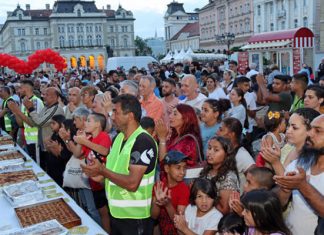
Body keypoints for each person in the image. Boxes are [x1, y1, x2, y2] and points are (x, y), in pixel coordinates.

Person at [81, 94, 158, 235]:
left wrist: (103, 171)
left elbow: (132, 183)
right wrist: (100, 178)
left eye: (115, 112)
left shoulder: (143, 141)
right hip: (116, 214)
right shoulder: (118, 139)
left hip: (134, 218)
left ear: (130, 116)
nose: (112, 116)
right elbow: (114, 175)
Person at [272, 114, 324, 235]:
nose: (310, 134)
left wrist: (302, 185)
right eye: (310, 128)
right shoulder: (299, 164)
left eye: (318, 131)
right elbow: (279, 204)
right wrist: (285, 189)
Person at [72, 112, 112, 232]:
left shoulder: (104, 136)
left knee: (105, 213)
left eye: (89, 121)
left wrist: (85, 142)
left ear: (98, 124)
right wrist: (80, 141)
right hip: (93, 182)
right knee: (100, 211)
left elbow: (104, 151)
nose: (85, 123)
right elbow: (77, 154)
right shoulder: (89, 138)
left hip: (103, 182)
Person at [156, 104, 203, 175]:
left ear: (186, 118)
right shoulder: (175, 136)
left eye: (175, 114)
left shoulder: (189, 141)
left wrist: (162, 139)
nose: (170, 116)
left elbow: (165, 165)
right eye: (171, 113)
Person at [151, 150, 190, 235]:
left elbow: (179, 223)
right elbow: (154, 216)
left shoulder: (184, 189)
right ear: (167, 168)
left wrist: (167, 205)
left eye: (184, 167)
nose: (182, 172)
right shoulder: (159, 186)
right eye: (178, 168)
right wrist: (157, 202)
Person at [199, 136, 240, 214]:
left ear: (226, 155)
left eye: (216, 150)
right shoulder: (206, 171)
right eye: (209, 148)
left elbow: (224, 210)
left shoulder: (229, 177)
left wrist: (202, 192)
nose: (210, 152)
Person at [217, 117, 255, 193]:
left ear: (231, 134)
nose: (217, 132)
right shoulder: (224, 150)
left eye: (221, 130)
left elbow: (254, 178)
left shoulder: (242, 155)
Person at [8, 80, 44, 159]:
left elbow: (33, 123)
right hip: (28, 139)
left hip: (36, 140)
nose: (18, 91)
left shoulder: (35, 101)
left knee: (37, 165)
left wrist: (17, 111)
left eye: (20, 88)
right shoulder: (24, 101)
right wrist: (15, 111)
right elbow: (21, 124)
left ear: (25, 88)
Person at [45, 115, 72, 186]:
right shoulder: (54, 134)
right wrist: (48, 145)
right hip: (51, 165)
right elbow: (49, 151)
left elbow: (62, 155)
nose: (51, 125)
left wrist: (53, 147)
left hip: (59, 168)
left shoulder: (62, 137)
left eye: (54, 123)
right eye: (51, 123)